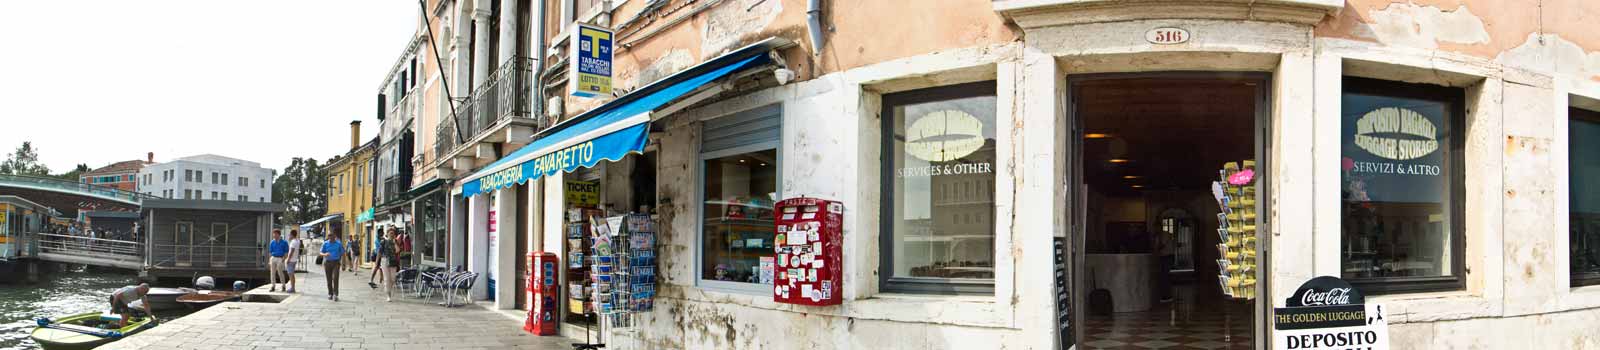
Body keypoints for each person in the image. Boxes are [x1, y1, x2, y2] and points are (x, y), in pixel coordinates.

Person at [377, 228, 400, 302]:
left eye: (393, 233)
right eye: (390, 233)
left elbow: (397, 251)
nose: (391, 234)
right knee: (387, 279)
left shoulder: (395, 241)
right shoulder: (383, 241)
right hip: (385, 261)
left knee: (393, 278)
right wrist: (377, 262)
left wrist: (395, 242)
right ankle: (388, 295)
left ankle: (389, 289)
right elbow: (379, 252)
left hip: (393, 261)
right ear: (387, 234)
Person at [320, 233, 345, 301]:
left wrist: (343, 264)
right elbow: (320, 253)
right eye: (329, 237)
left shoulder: (338, 244)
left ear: (334, 236)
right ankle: (330, 293)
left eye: (331, 237)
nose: (330, 238)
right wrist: (325, 254)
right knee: (329, 279)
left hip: (336, 263)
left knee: (335, 278)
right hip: (327, 263)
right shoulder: (325, 243)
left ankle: (335, 294)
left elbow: (343, 253)